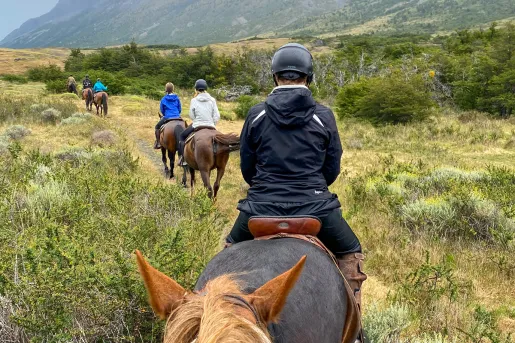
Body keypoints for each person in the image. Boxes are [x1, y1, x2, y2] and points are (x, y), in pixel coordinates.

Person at [225, 43, 367, 318]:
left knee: (228, 253)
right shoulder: (322, 115)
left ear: (275, 76)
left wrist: (264, 189)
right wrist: (313, 187)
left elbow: (247, 168)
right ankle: (355, 322)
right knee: (351, 252)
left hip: (260, 208)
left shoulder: (256, 114)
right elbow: (331, 167)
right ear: (309, 77)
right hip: (316, 208)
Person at [177, 79, 220, 165]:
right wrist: (212, 124)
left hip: (197, 124)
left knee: (181, 136)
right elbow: (217, 116)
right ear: (206, 88)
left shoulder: (194, 100)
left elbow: (191, 115)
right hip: (210, 125)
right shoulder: (212, 100)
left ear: (196, 89)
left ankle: (183, 159)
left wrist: (197, 120)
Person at [154, 83, 182, 149]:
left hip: (167, 117)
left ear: (166, 90)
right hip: (177, 116)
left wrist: (165, 115)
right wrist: (176, 114)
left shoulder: (163, 99)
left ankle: (158, 143)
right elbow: (179, 109)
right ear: (173, 89)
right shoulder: (177, 98)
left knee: (157, 127)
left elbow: (162, 110)